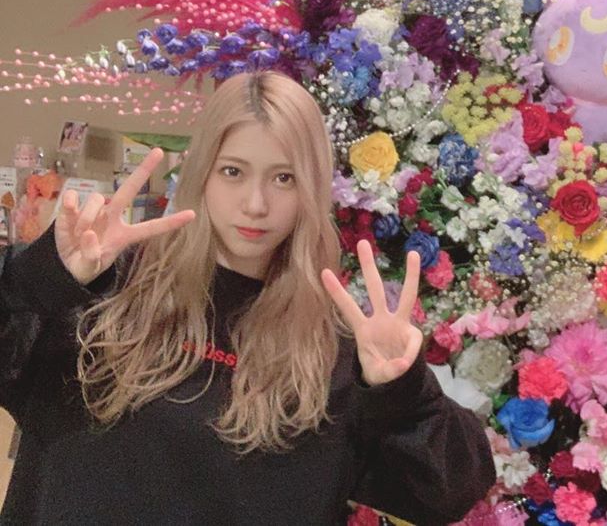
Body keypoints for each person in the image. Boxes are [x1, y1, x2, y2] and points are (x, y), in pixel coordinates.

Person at [0, 72, 495, 525]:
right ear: (202, 172)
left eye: (284, 178)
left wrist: (403, 394)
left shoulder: (333, 351)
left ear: (311, 188)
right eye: (233, 171)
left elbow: (448, 492)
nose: (256, 204)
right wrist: (42, 278)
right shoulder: (101, 291)